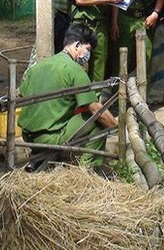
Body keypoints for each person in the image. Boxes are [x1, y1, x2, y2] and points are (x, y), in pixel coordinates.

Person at [18, 24, 118, 168]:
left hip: (28, 136)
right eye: (88, 49)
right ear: (77, 45)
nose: (88, 56)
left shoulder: (39, 66)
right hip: (49, 138)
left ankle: (40, 157)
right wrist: (117, 128)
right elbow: (97, 110)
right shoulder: (75, 70)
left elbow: (22, 94)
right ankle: (89, 170)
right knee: (98, 122)